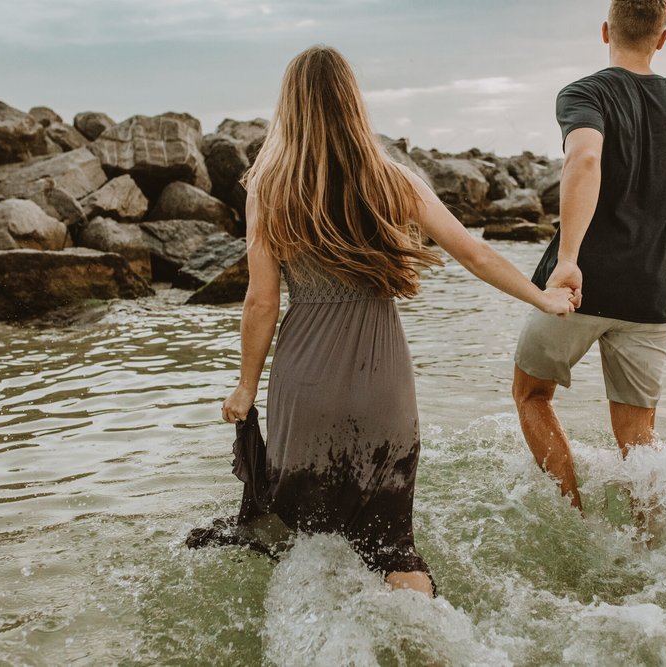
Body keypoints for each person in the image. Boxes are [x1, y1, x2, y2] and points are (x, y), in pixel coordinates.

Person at [205, 46, 577, 597]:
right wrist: (541, 297)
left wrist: (245, 385)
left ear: (291, 106)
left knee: (309, 542)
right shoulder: (392, 180)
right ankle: (425, 641)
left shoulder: (270, 187)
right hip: (381, 378)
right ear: (354, 103)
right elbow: (472, 254)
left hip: (304, 380)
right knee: (391, 544)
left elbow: (262, 303)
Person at [512, 0, 666, 512]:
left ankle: (573, 514)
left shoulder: (586, 92)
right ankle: (651, 553)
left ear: (606, 29)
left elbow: (584, 157)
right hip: (650, 295)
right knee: (637, 439)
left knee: (532, 394)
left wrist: (567, 257)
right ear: (663, 38)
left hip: (579, 284)